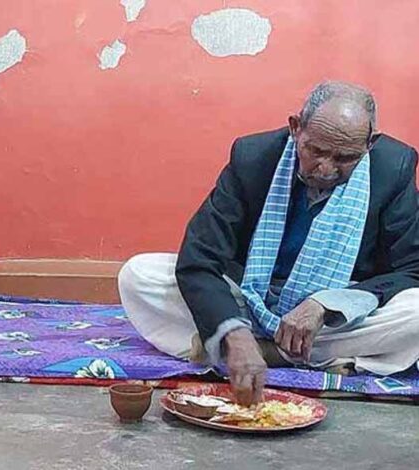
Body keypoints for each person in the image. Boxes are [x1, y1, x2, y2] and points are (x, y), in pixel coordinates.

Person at [118, 81, 419, 405]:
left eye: (345, 158)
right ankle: (283, 350)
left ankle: (262, 351)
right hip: (250, 296)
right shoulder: (253, 156)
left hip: (334, 313)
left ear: (370, 144)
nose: (326, 169)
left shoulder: (393, 166)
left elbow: (411, 269)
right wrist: (234, 331)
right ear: (295, 128)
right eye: (316, 151)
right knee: (139, 275)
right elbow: (200, 257)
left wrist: (326, 305)